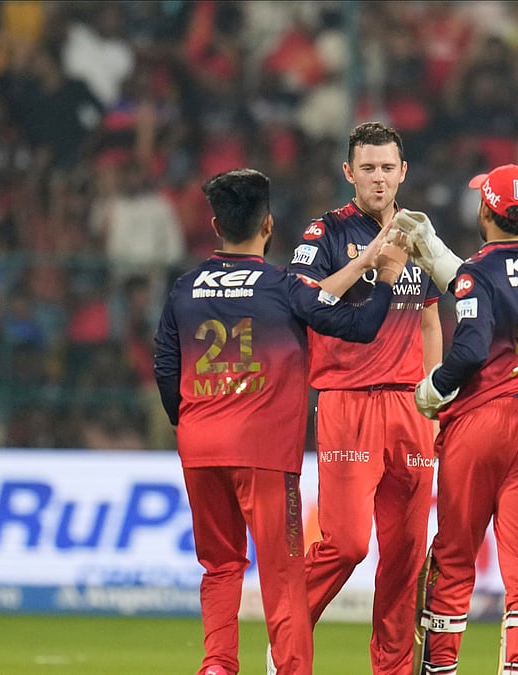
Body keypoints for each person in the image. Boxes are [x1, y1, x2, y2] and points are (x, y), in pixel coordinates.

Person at [153, 169, 410, 675]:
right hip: (265, 454)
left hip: (200, 449)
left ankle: (218, 666)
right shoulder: (282, 287)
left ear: (214, 224)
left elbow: (165, 365)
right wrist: (386, 277)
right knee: (284, 575)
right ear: (268, 226)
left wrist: (189, 424)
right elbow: (357, 327)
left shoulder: (184, 289)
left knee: (220, 566)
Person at [285, 122, 443, 675]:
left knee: (404, 558)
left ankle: (394, 669)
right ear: (349, 173)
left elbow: (428, 319)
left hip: (410, 407)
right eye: (368, 168)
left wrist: (436, 396)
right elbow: (301, 299)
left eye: (388, 167)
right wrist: (365, 264)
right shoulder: (324, 232)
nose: (379, 178)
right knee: (347, 543)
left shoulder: (419, 234)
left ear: (404, 171)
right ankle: (287, 641)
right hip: (348, 401)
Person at [401, 165, 518, 675]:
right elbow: (492, 283)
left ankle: (441, 667)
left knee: (454, 558)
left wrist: (434, 387)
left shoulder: (479, 272)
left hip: (482, 423)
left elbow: (472, 344)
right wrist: (440, 256)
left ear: (484, 210)